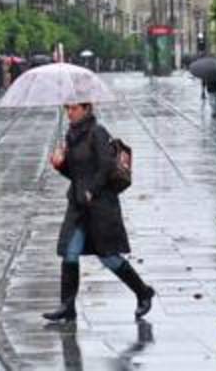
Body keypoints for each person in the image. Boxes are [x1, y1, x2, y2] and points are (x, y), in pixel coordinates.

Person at [44, 103, 155, 323]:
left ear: (86, 109)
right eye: (68, 109)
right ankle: (67, 306)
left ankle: (143, 292)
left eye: (74, 109)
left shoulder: (98, 132)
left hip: (100, 206)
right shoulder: (71, 136)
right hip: (78, 206)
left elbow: (106, 167)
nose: (70, 113)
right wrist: (60, 164)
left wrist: (92, 190)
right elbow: (75, 173)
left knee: (109, 258)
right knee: (70, 252)